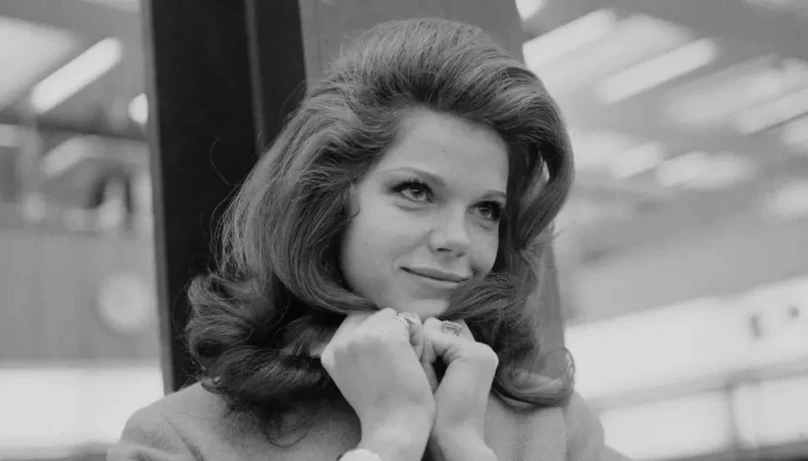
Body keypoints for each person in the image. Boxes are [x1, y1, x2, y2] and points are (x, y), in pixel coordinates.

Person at [108, 17, 627, 461]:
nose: (458, 240)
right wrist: (389, 441)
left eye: (487, 210)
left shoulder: (555, 427)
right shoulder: (182, 439)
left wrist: (465, 446)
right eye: (416, 191)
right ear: (325, 196)